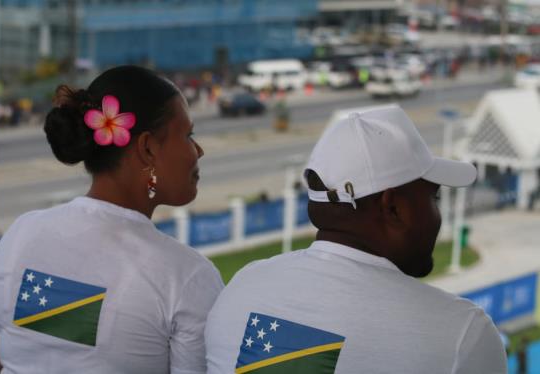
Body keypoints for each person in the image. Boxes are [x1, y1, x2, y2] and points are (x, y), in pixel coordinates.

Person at [205, 106, 507, 373]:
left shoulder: (243, 287)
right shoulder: (461, 336)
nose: (437, 215)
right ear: (393, 207)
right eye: (434, 197)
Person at [0, 66, 224, 374]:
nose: (199, 150)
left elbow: (7, 353)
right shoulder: (187, 277)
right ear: (148, 148)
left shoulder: (21, 234)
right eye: (189, 135)